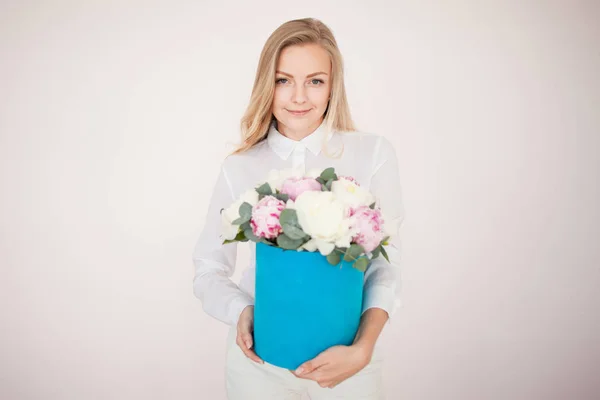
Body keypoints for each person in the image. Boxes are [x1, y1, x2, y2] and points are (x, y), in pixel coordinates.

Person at [192, 17, 405, 400]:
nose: (299, 97)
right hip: (259, 361)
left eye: (315, 81)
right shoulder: (239, 166)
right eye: (283, 80)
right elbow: (208, 267)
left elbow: (386, 264)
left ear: (332, 86)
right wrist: (242, 312)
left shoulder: (372, 154)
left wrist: (363, 348)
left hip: (348, 361)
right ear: (266, 84)